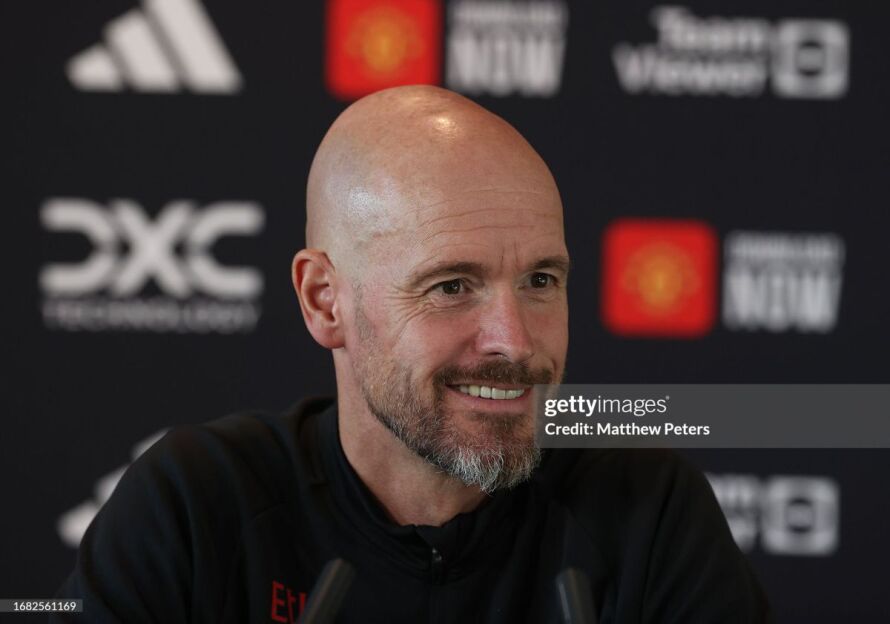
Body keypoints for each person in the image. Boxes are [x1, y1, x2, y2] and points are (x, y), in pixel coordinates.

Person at [54, 86, 771, 623]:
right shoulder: (197, 506)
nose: (515, 340)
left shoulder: (645, 512)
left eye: (541, 281)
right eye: (452, 286)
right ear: (325, 301)